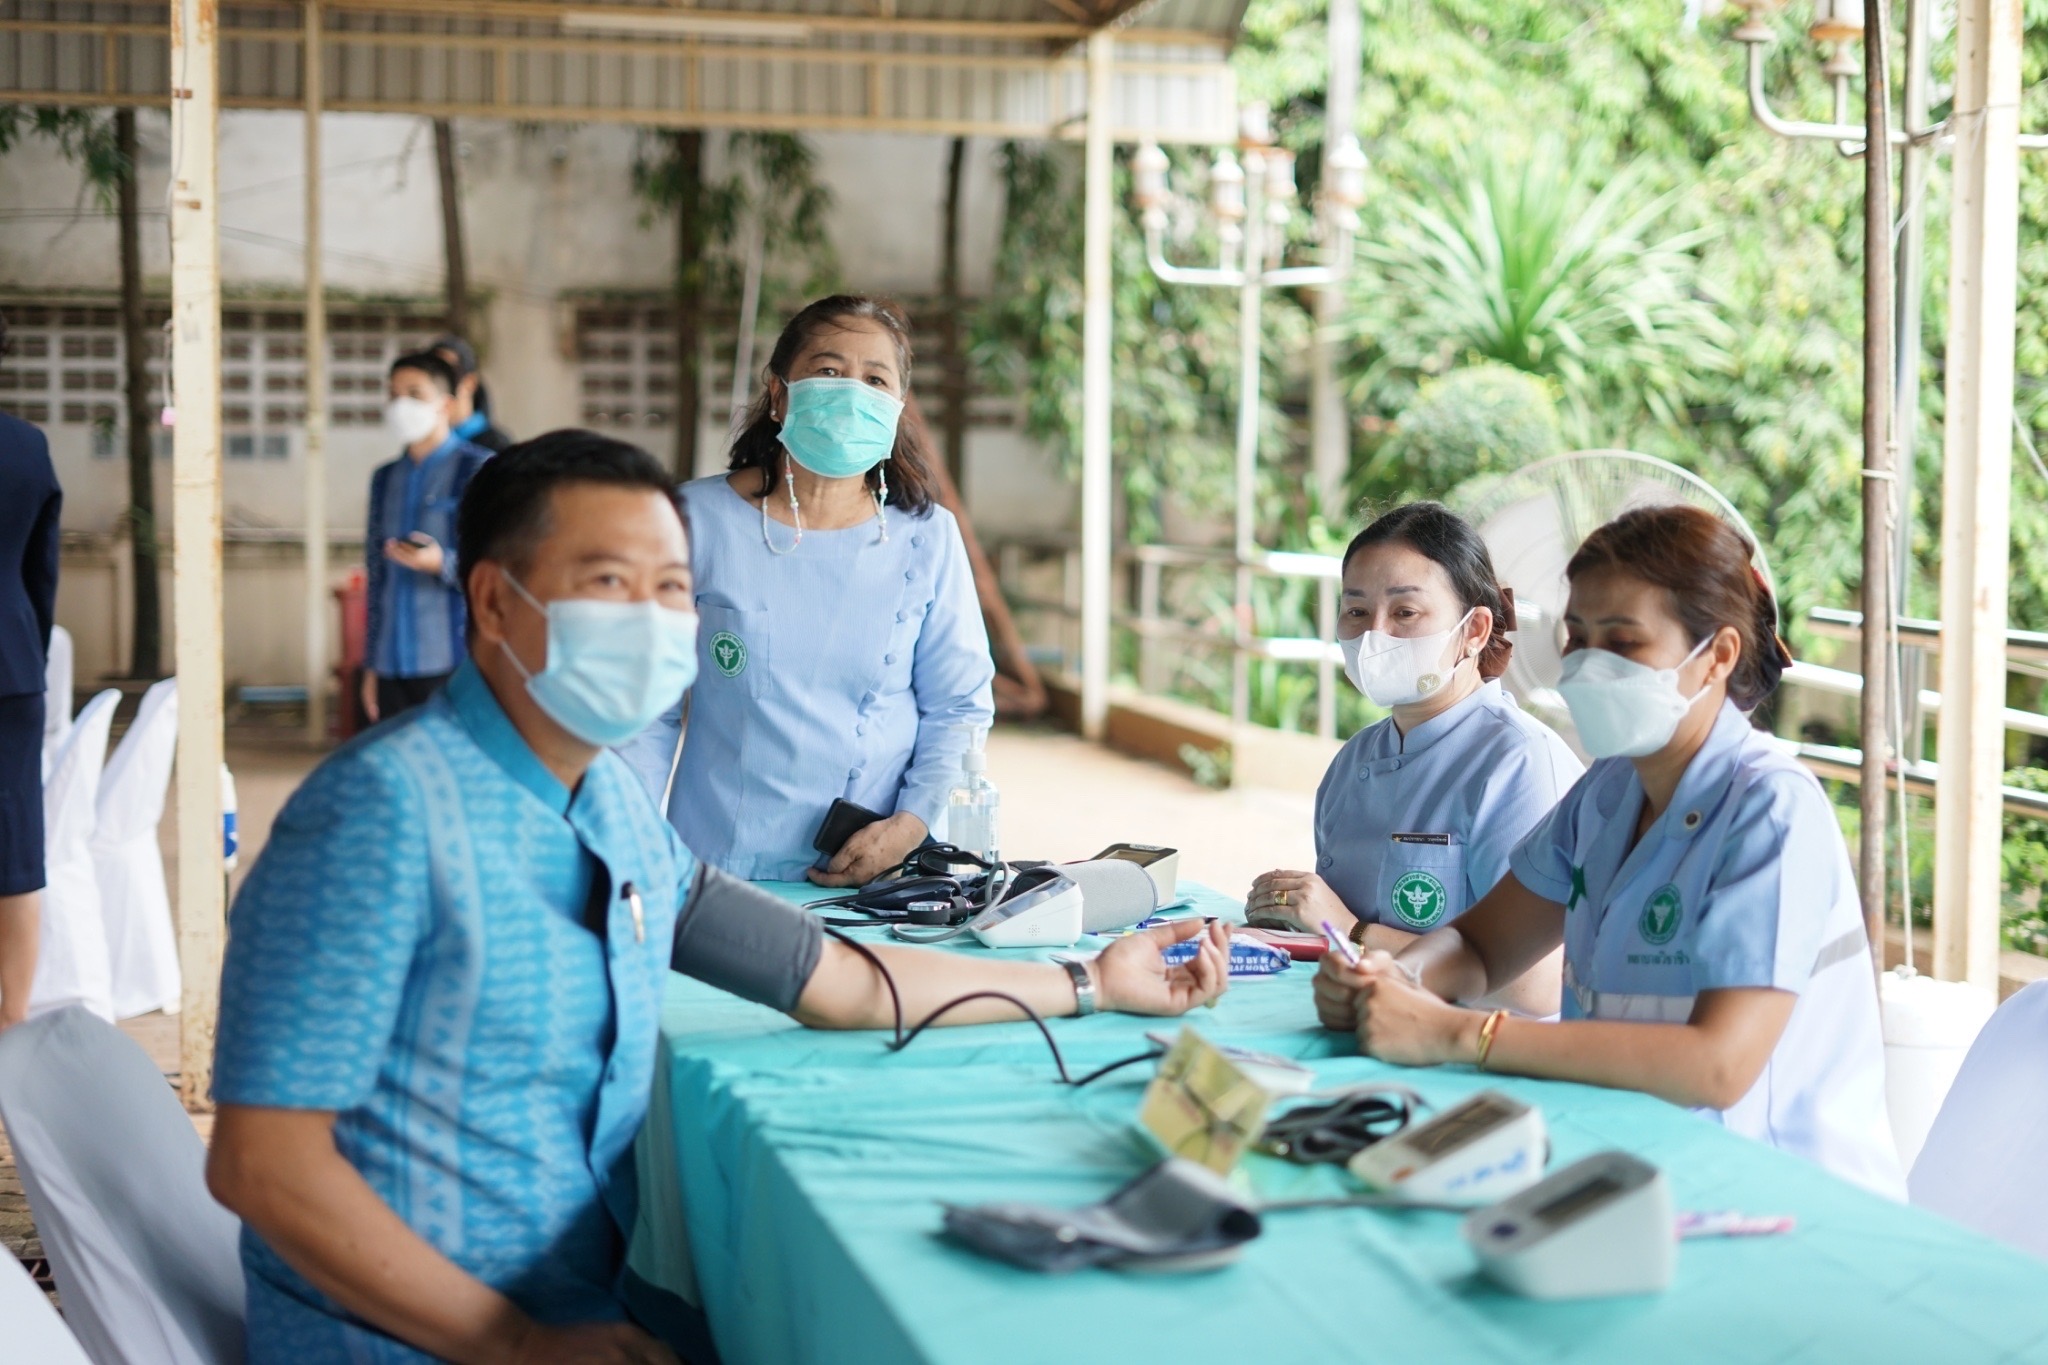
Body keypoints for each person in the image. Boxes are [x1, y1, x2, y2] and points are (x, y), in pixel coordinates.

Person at [206, 431, 1229, 1365]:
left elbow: (835, 981)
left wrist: (1091, 981)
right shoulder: (376, 816)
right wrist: (511, 1342)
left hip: (577, 1303)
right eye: (609, 581)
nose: (654, 619)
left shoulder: (607, 805)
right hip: (407, 1338)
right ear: (492, 601)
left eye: (672, 587)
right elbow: (263, 1164)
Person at [1313, 505, 1903, 1197]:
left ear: (1717, 656)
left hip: (1773, 1187)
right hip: (1631, 1157)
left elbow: (1718, 1066)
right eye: (1579, 637)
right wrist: (1391, 981)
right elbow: (1480, 945)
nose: (1590, 666)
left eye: (1623, 641)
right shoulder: (1609, 791)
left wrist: (1461, 1035)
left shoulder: (1771, 808)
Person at [618, 296, 995, 886]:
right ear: (779, 393)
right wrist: (629, 844)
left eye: (875, 380)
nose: (851, 394)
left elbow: (959, 706)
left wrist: (910, 826)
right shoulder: (693, 520)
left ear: (897, 408)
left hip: (876, 873)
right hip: (719, 868)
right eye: (828, 371)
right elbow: (646, 709)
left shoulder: (927, 536)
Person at [1246, 504, 1581, 1017]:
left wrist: (1351, 931)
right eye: (1356, 612)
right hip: (1358, 1018)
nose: (1374, 635)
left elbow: (1535, 990)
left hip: (1473, 1045)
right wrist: (1286, 917)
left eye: (1405, 613)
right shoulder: (1354, 760)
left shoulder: (1520, 762)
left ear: (1474, 630)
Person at [360, 350, 492, 725]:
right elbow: (376, 575)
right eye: (393, 394)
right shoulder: (385, 478)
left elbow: (502, 568)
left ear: (445, 405)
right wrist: (372, 665)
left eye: (415, 394)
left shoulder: (480, 469)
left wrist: (441, 564)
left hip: (456, 662)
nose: (400, 405)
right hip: (391, 663)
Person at [0, 312, 59, 1031]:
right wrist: (29, 655)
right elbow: (42, 573)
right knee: (15, 852)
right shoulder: (27, 447)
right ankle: (11, 1026)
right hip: (11, 669)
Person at [431, 333, 514, 453]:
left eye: (447, 372)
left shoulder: (496, 446)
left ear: (470, 382)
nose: (441, 381)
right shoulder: (422, 445)